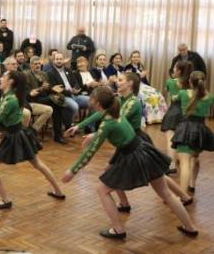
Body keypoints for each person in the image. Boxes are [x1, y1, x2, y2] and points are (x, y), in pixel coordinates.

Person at [62, 86, 198, 240]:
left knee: (102, 190)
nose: (91, 100)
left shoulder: (107, 124)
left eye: (92, 98)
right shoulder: (116, 108)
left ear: (98, 103)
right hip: (142, 150)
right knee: (166, 193)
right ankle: (190, 227)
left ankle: (118, 229)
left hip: (133, 157)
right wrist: (79, 126)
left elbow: (90, 152)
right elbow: (97, 116)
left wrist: (72, 171)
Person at [0, 70, 65, 209]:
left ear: (10, 81)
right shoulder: (9, 97)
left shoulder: (10, 100)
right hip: (21, 134)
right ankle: (58, 191)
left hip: (14, 137)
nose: (0, 78)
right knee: (38, 164)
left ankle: (6, 200)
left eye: (3, 76)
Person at [171, 71, 214, 195]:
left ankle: (183, 196)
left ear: (190, 81)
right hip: (201, 130)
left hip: (186, 128)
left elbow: (174, 99)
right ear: (203, 82)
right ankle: (192, 184)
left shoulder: (183, 93)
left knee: (184, 162)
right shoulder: (210, 97)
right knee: (194, 158)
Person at [162, 61, 193, 173]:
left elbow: (168, 94)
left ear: (179, 71)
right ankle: (183, 162)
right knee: (181, 140)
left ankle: (171, 165)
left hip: (174, 112)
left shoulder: (170, 82)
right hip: (187, 113)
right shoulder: (191, 83)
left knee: (170, 139)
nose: (173, 70)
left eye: (174, 68)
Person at [25, 56, 65, 143]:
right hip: (33, 100)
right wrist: (41, 88)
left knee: (58, 102)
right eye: (35, 64)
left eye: (39, 63)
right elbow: (30, 94)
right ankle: (57, 135)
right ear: (31, 65)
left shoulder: (44, 74)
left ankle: (58, 135)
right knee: (55, 102)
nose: (38, 66)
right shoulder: (27, 75)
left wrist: (53, 89)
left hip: (44, 98)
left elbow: (48, 88)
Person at [47, 52, 89, 131]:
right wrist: (70, 92)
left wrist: (76, 88)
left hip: (74, 95)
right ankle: (69, 126)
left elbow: (75, 82)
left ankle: (89, 126)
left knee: (91, 101)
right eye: (57, 59)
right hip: (63, 96)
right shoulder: (50, 73)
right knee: (75, 107)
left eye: (61, 59)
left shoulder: (68, 70)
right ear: (54, 61)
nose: (59, 61)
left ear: (63, 60)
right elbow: (56, 89)